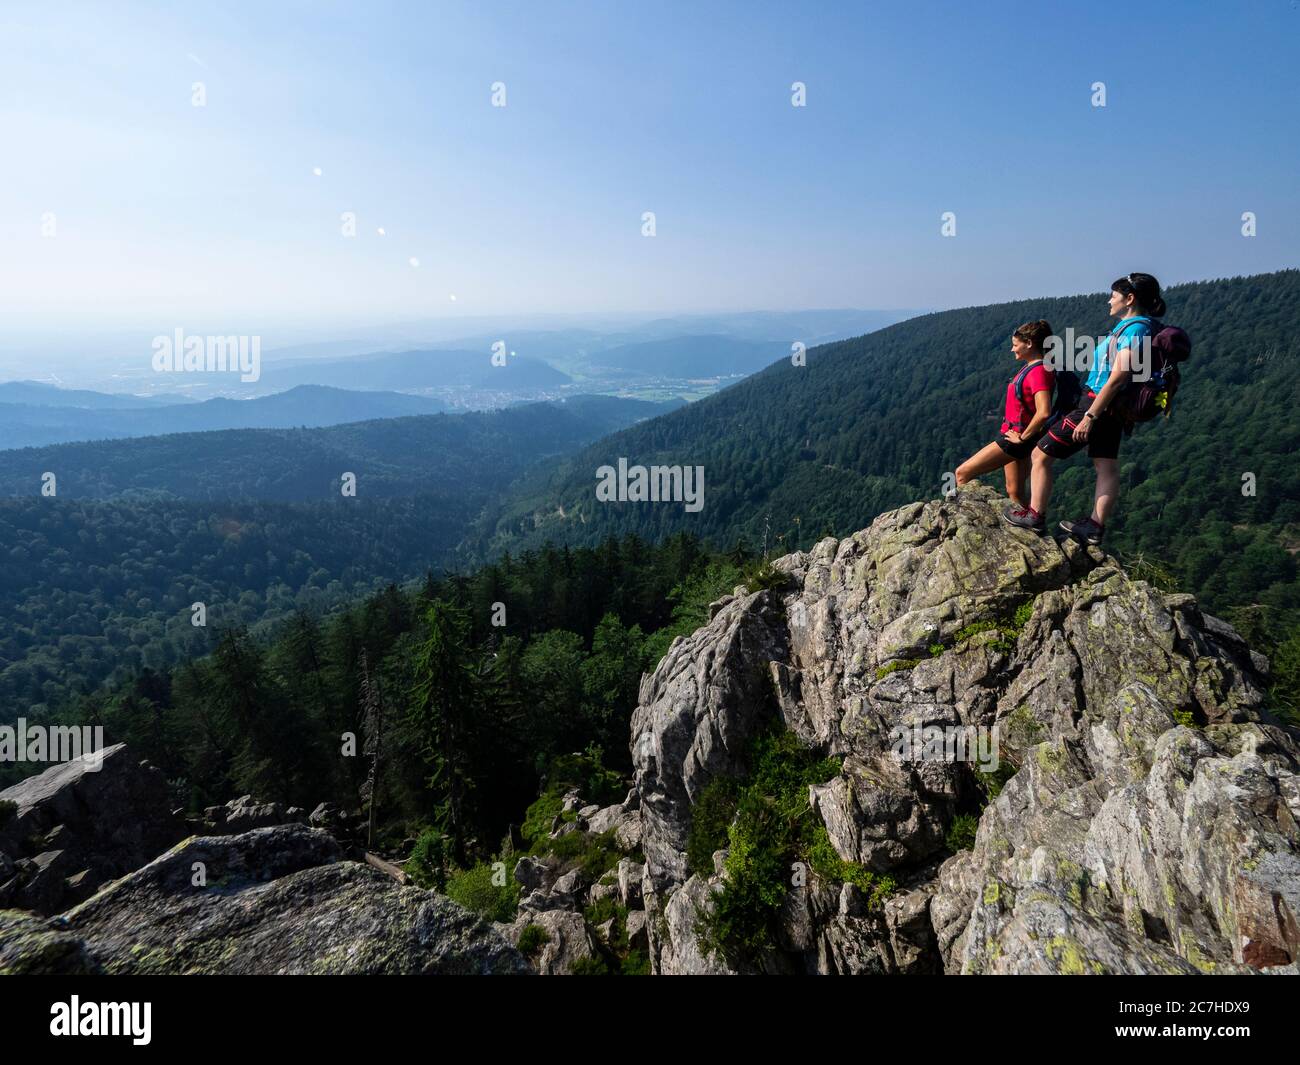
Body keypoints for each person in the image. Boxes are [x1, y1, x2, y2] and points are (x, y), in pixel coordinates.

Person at [1003, 272, 1166, 543]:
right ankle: (1094, 526)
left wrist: (1090, 415)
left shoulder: (1136, 329)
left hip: (1097, 403)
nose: (1108, 301)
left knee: (1041, 453)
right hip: (1114, 409)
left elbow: (1118, 377)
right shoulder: (1142, 327)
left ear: (1129, 298)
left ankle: (1035, 516)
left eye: (1113, 296)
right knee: (1105, 464)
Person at [954, 319, 1055, 509]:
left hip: (1015, 439)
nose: (1012, 349)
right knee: (1014, 491)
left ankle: (965, 516)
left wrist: (1023, 438)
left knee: (962, 474)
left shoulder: (1038, 372)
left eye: (1015, 345)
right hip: (1018, 437)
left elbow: (1044, 412)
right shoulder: (1034, 367)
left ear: (1030, 343)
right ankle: (1028, 528)